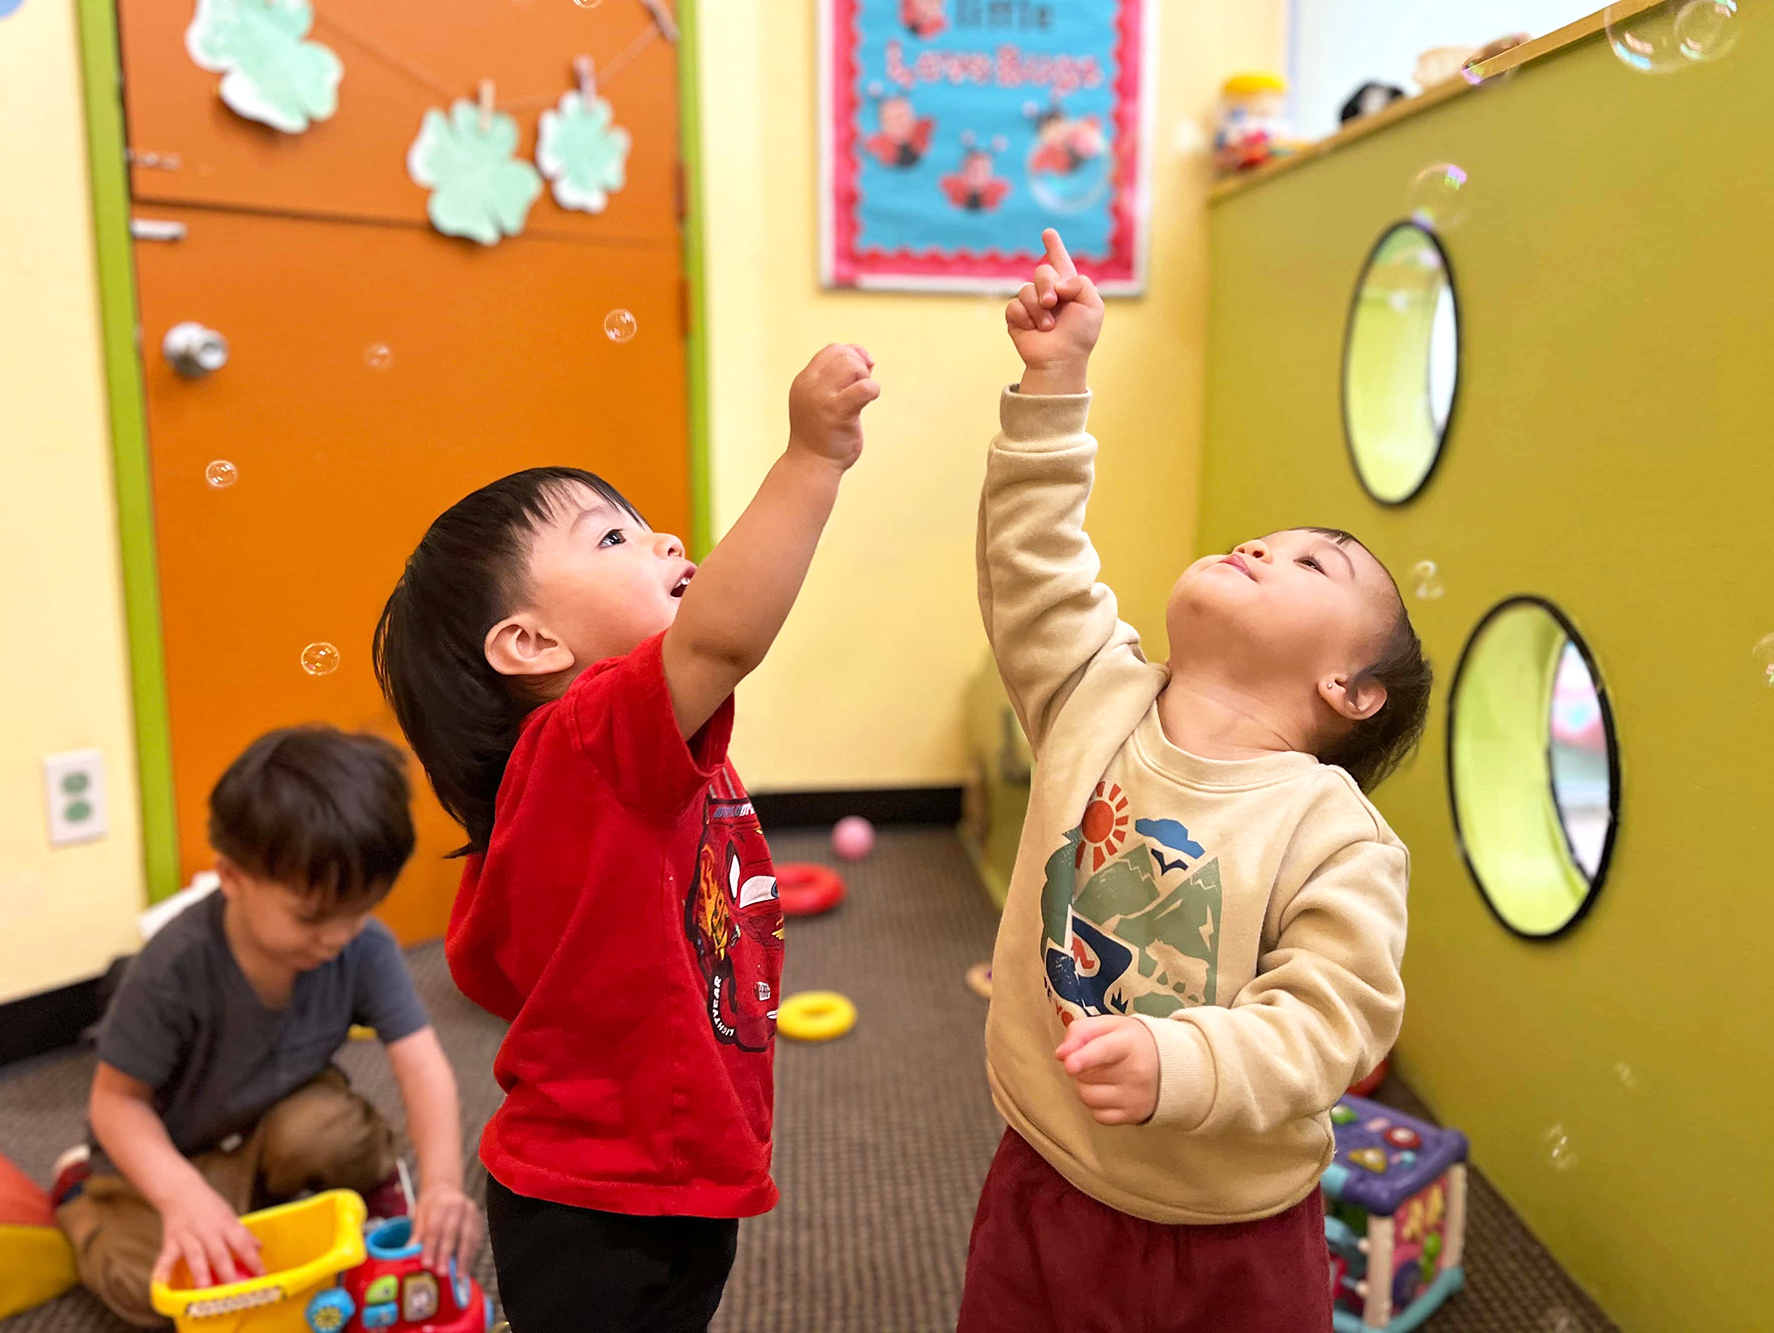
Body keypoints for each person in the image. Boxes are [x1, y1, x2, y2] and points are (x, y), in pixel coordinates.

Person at [957, 231, 1432, 1332]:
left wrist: (1182, 1060)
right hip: (1042, 1172)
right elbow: (1033, 558)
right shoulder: (1090, 694)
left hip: (1227, 1234)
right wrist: (1052, 380)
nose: (1260, 549)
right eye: (1255, 540)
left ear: (1348, 689)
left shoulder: (1331, 833)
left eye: (1311, 562)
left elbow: (1332, 1025)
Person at [373, 344, 880, 1333]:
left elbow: (501, 968)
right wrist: (811, 456)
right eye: (612, 539)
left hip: (677, 1169)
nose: (664, 542)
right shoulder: (587, 741)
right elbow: (724, 637)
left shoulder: (607, 771)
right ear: (531, 645)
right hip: (600, 1202)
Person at [53, 727, 478, 1328]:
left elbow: (423, 1064)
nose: (337, 937)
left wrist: (441, 1185)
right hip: (171, 1156)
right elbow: (117, 1105)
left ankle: (290, 1201)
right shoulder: (172, 969)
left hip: (276, 1132)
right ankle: (75, 1194)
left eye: (360, 911)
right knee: (148, 1288)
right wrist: (181, 1198)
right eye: (312, 917)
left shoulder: (363, 947)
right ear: (231, 877)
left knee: (330, 1132)